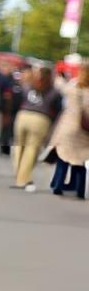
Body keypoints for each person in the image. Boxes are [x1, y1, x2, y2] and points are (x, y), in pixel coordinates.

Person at [14, 66, 59, 191]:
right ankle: (23, 178)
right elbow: (56, 108)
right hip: (41, 119)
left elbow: (18, 98)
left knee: (18, 146)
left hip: (23, 115)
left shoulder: (28, 86)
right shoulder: (53, 91)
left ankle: (18, 171)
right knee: (32, 150)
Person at [51, 68, 89, 199]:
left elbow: (60, 86)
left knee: (63, 157)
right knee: (80, 160)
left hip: (68, 127)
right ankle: (80, 189)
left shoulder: (72, 89)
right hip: (85, 131)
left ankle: (58, 185)